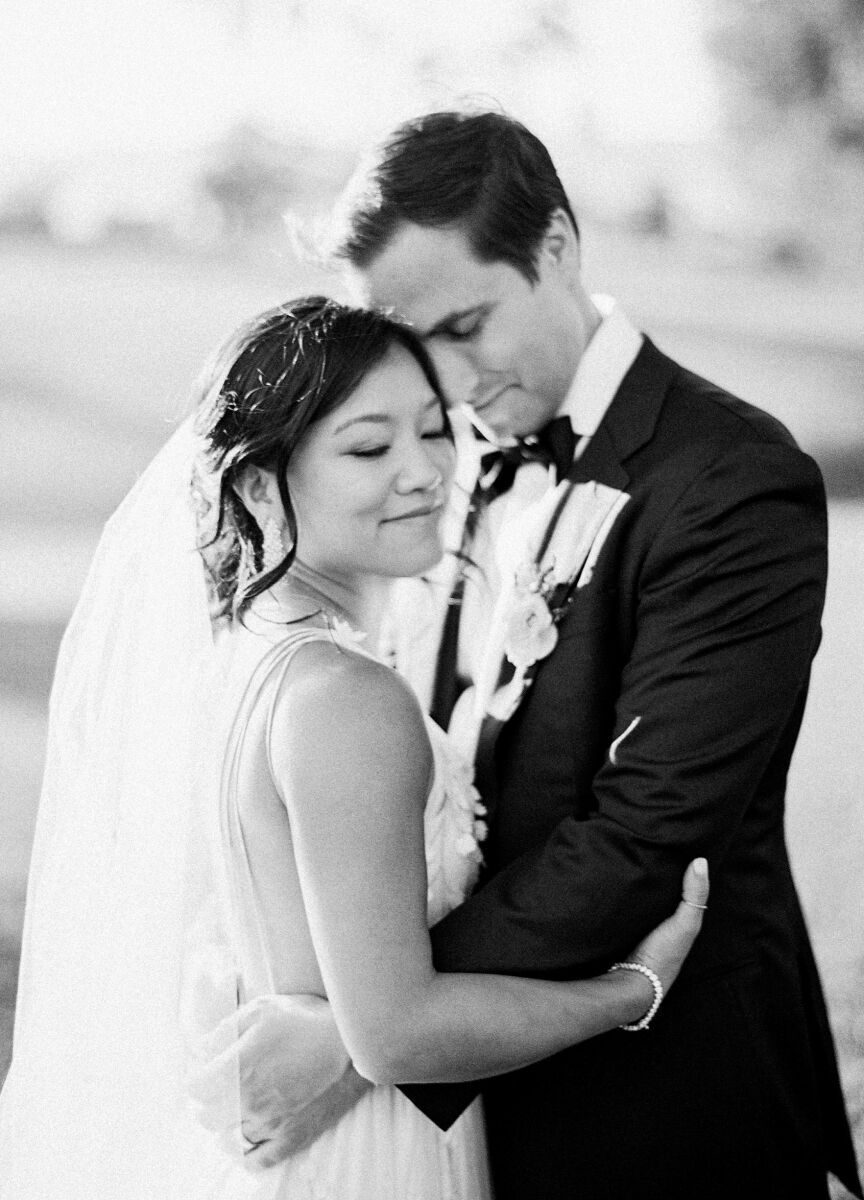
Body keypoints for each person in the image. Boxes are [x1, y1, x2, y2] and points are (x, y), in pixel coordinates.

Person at [223, 114, 863, 1199]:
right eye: (422, 348)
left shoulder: (729, 479)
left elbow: (646, 836)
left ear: (558, 246)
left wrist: (370, 1025)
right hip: (482, 1097)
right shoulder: (449, 465)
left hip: (670, 1099)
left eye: (469, 323)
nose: (455, 385)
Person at [0, 296, 709, 1199]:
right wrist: (632, 989)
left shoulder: (245, 652)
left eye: (433, 430)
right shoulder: (346, 697)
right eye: (370, 447)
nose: (425, 473)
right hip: (360, 1153)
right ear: (260, 486)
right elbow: (396, 1035)